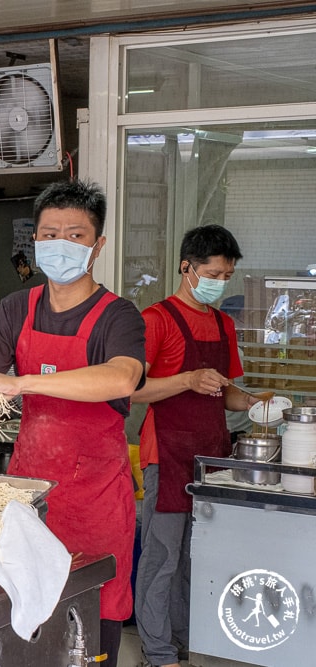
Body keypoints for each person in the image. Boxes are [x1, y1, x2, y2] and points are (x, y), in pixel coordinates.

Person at [0, 179, 145, 667]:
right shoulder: (17, 308)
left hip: (96, 499)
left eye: (76, 235)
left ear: (97, 245)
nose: (61, 243)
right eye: (50, 233)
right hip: (30, 495)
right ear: (35, 241)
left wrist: (22, 384)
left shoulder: (117, 315)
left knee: (92, 620)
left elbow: (122, 377)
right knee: (31, 617)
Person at [132, 225, 257, 667]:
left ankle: (186, 642)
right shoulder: (156, 319)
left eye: (227, 276)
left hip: (211, 456)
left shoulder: (223, 324)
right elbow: (131, 389)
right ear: (186, 267)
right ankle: (158, 652)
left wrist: (258, 404)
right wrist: (186, 379)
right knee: (162, 558)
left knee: (195, 559)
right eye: (214, 273)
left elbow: (226, 393)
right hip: (166, 454)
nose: (221, 283)